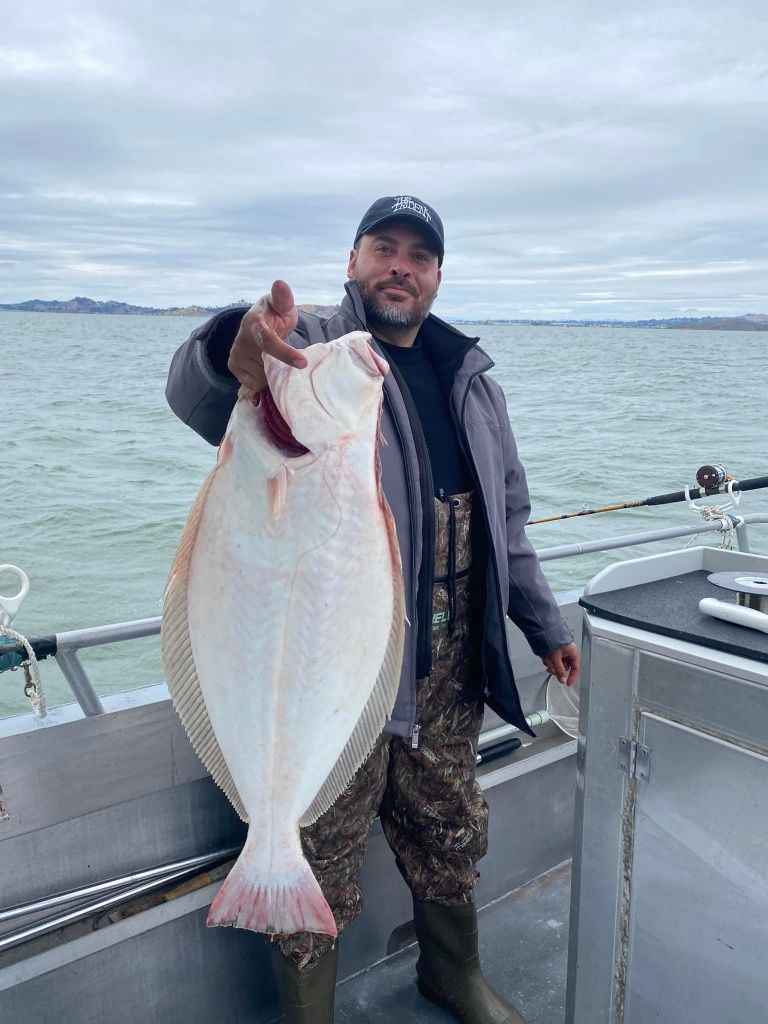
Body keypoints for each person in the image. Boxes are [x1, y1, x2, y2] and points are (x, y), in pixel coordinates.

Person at [165, 195, 580, 1024]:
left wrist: (544, 626)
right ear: (351, 261)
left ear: (436, 276)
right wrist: (226, 342)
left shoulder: (472, 377)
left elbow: (508, 519)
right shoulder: (307, 349)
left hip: (452, 664)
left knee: (451, 830)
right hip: (340, 661)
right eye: (383, 248)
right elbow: (199, 390)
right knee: (317, 850)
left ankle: (450, 974)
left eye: (419, 256)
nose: (401, 266)